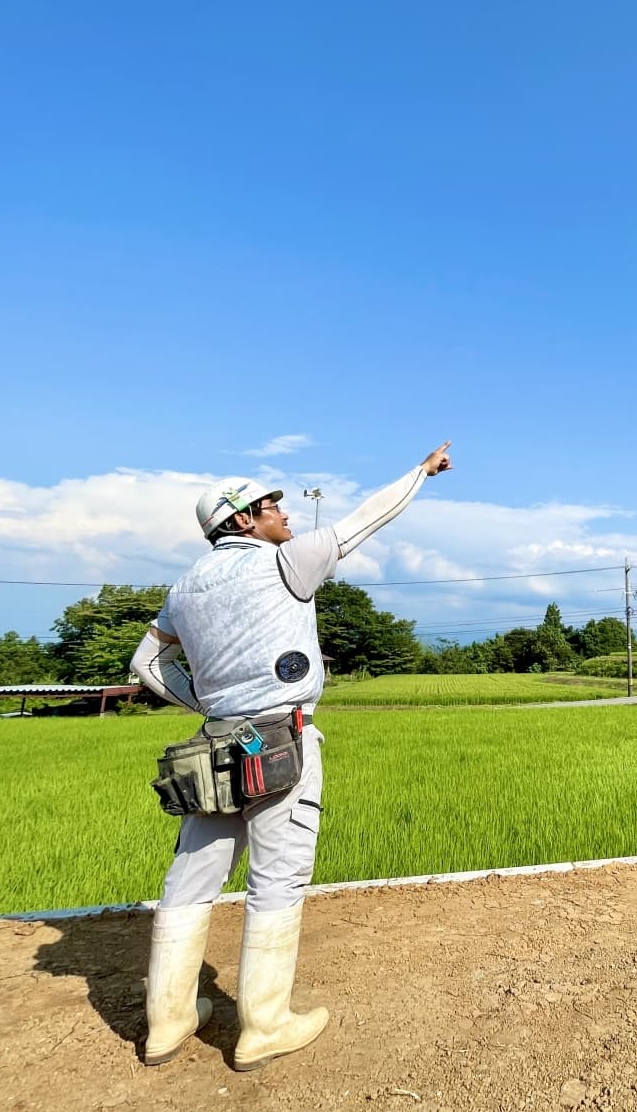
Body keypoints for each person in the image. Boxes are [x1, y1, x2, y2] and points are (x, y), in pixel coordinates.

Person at [129, 442, 452, 1070]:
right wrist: (421, 471)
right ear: (241, 521)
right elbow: (367, 518)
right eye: (268, 505)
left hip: (214, 741)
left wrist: (206, 703)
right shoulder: (286, 564)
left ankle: (166, 1023)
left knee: (192, 879)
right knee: (277, 879)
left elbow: (145, 665)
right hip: (284, 736)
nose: (281, 511)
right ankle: (264, 1026)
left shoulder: (184, 587)